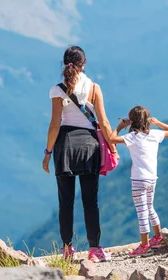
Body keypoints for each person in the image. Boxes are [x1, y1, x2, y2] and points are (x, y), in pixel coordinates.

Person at [43, 46, 119, 262]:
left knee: (65, 202)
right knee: (90, 200)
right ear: (84, 64)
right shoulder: (94, 87)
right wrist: (113, 147)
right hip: (89, 147)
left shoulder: (57, 90)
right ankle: (95, 248)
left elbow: (55, 124)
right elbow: (103, 122)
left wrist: (48, 153)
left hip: (65, 146)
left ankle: (67, 249)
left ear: (65, 63)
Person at [108, 105, 168, 257]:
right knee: (149, 206)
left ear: (131, 121)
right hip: (152, 178)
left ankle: (144, 245)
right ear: (147, 120)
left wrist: (120, 126)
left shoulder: (131, 137)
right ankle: (158, 237)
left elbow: (111, 139)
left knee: (141, 212)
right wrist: (158, 123)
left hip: (138, 179)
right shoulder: (154, 135)